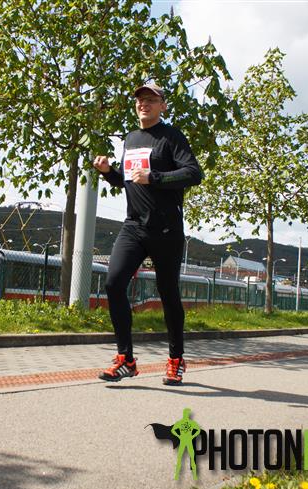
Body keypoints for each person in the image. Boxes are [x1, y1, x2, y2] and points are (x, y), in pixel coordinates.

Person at [93, 82, 203, 385]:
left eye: (151, 100)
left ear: (162, 106)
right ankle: (126, 360)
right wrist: (109, 172)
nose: (144, 103)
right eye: (140, 99)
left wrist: (154, 177)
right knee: (114, 283)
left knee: (168, 294)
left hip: (166, 229)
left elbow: (193, 173)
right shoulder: (130, 138)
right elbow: (128, 180)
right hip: (133, 226)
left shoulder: (171, 136)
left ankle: (176, 359)